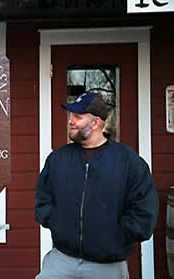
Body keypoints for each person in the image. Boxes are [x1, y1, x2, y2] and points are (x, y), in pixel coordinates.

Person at [34, 92, 159, 279]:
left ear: (96, 123)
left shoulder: (128, 162)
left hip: (107, 265)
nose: (70, 121)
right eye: (70, 115)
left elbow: (144, 211)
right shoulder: (58, 159)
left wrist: (115, 238)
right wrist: (57, 222)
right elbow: (43, 198)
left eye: (77, 116)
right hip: (61, 261)